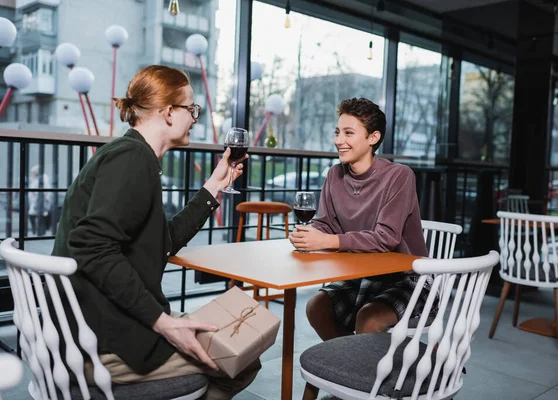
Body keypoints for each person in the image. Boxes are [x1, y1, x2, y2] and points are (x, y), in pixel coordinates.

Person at [51, 65, 259, 399]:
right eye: (191, 109)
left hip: (95, 324)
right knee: (243, 355)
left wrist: (213, 187)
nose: (195, 118)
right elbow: (91, 246)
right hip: (101, 342)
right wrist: (162, 322)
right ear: (167, 112)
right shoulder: (131, 160)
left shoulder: (129, 155)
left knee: (232, 340)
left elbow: (164, 242)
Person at [289, 97, 433, 340]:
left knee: (368, 318)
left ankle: (352, 370)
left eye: (348, 133)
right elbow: (325, 224)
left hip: (407, 278)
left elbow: (386, 238)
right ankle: (345, 368)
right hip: (362, 277)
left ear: (372, 138)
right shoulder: (334, 175)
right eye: (337, 132)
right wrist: (309, 235)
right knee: (316, 307)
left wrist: (328, 242)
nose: (338, 141)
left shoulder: (399, 176)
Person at [28, 164, 52, 235]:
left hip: (40, 201)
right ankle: (38, 230)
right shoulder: (36, 179)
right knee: (37, 215)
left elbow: (45, 190)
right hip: (36, 201)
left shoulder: (42, 178)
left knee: (37, 214)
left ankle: (39, 231)